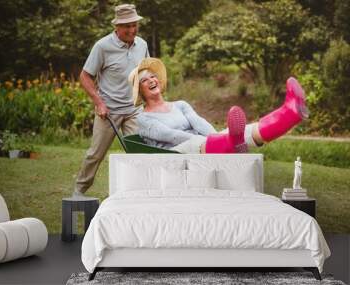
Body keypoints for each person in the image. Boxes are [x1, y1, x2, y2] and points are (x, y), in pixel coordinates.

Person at [128, 58, 309, 153]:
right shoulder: (144, 118)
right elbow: (171, 136)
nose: (152, 80)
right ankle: (229, 142)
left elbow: (199, 123)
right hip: (174, 153)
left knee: (243, 132)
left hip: (203, 145)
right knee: (200, 142)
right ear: (140, 91)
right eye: (145, 80)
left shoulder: (180, 105)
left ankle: (289, 113)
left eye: (153, 76)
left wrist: (216, 136)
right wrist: (211, 141)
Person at [73, 4, 149, 196]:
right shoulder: (103, 46)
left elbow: (146, 73)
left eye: (134, 25)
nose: (131, 30)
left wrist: (150, 100)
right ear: (117, 27)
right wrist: (99, 103)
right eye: (127, 26)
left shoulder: (142, 45)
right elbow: (85, 76)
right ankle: (79, 191)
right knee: (95, 154)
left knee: (140, 153)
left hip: (134, 110)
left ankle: (138, 191)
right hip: (109, 111)